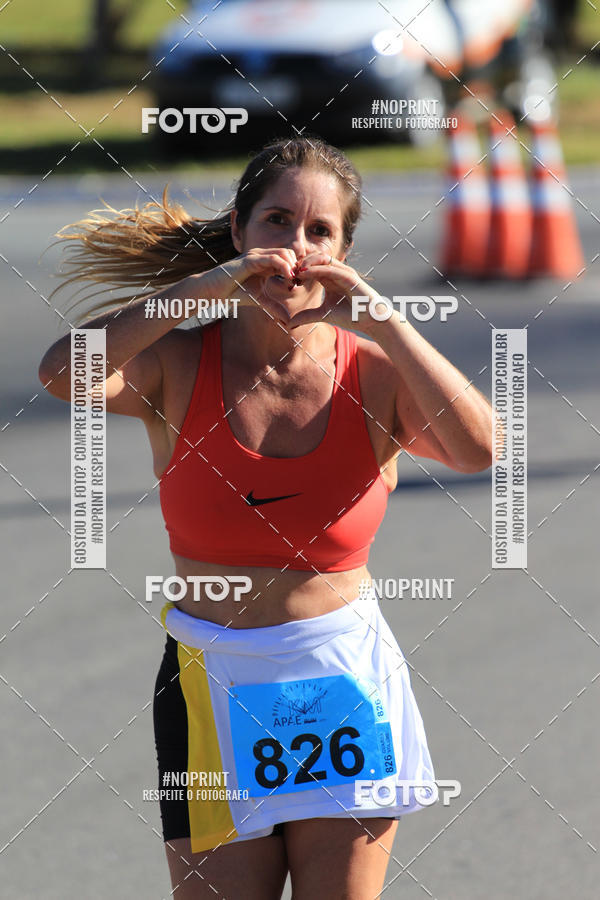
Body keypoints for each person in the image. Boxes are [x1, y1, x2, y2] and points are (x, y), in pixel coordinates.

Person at [38, 136, 493, 899]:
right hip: (209, 676)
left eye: (320, 232)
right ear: (241, 232)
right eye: (277, 222)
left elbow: (478, 449)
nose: (295, 247)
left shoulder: (375, 373)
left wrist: (386, 324)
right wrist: (202, 293)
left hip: (343, 674)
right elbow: (63, 373)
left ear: (345, 252)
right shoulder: (179, 363)